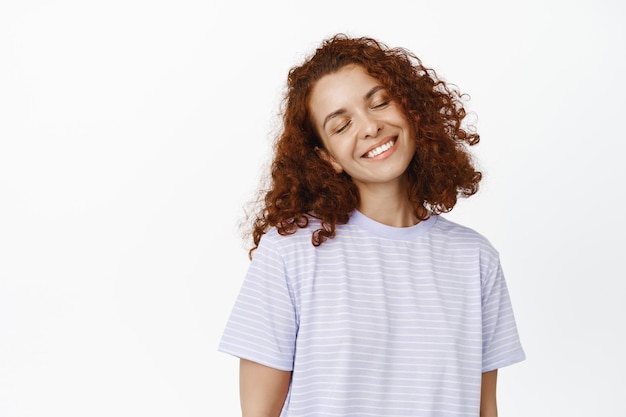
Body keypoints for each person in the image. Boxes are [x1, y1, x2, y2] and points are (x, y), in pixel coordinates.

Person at [218, 33, 525, 417]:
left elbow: (484, 408)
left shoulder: (475, 259)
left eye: (380, 102)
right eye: (341, 125)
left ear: (411, 108)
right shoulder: (290, 252)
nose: (369, 127)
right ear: (326, 157)